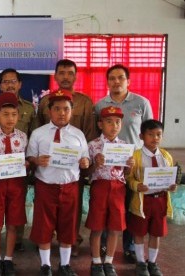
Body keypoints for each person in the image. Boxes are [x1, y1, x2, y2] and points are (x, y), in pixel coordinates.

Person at [27, 90, 90, 276]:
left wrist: (85, 162)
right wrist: (37, 161)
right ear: (49, 111)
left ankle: (64, 265)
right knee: (43, 226)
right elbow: (30, 156)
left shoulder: (78, 134)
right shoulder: (39, 134)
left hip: (70, 187)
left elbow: (85, 157)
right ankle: (45, 265)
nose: (62, 113)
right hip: (46, 186)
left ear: (71, 111)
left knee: (68, 226)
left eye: (66, 109)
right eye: (57, 109)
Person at [37, 59, 96, 256]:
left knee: (73, 208)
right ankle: (46, 240)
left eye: (70, 73)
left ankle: (72, 241)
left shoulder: (85, 102)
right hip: (48, 168)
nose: (65, 77)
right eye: (61, 73)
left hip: (73, 166)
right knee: (47, 210)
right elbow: (39, 129)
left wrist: (85, 163)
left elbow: (89, 134)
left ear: (75, 76)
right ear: (55, 76)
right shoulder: (46, 102)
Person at [95, 64, 153, 263]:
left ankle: (128, 247)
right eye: (112, 78)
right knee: (107, 208)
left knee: (130, 206)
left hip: (134, 164)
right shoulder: (100, 105)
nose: (116, 81)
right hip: (109, 167)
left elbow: (150, 131)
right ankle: (104, 244)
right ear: (107, 81)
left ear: (128, 81)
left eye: (121, 77)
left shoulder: (141, 103)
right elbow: (97, 135)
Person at [0, 68, 36, 252]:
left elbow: (32, 139)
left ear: (20, 84)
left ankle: (14, 248)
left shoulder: (29, 109)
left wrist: (28, 164)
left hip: (17, 177)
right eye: (6, 81)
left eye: (13, 81)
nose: (10, 84)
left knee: (15, 217)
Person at [0, 92, 29, 276]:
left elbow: (27, 159)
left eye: (14, 115)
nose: (10, 119)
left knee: (12, 223)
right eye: (5, 114)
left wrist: (26, 163)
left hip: (16, 184)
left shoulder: (23, 137)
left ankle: (8, 259)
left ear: (18, 116)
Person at [85, 106, 135, 276]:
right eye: (109, 122)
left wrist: (130, 167)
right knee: (97, 227)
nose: (114, 126)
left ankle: (108, 261)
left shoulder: (125, 146)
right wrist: (95, 164)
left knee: (115, 227)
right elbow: (87, 172)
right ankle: (96, 261)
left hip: (118, 188)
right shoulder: (93, 145)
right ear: (100, 124)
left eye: (117, 122)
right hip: (100, 186)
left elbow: (125, 173)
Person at [127, 119, 176, 276]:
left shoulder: (166, 156)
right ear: (141, 136)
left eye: (158, 134)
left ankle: (153, 263)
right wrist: (137, 186)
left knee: (156, 232)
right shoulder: (135, 156)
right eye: (150, 134)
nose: (155, 138)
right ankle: (141, 262)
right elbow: (129, 178)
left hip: (160, 200)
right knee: (139, 232)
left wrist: (172, 186)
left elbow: (169, 178)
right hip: (142, 201)